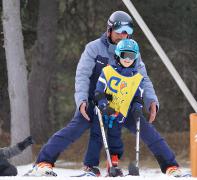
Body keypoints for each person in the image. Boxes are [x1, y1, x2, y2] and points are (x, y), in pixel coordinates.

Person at [27, 10, 167, 177]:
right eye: (119, 32)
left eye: (127, 33)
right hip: (95, 101)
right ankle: (44, 162)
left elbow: (143, 79)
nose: (123, 36)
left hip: (122, 103)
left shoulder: (131, 51)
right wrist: (82, 100)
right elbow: (82, 75)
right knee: (75, 128)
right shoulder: (94, 48)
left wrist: (151, 100)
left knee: (144, 129)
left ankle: (171, 167)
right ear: (109, 30)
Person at [93, 38, 182, 177]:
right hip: (110, 111)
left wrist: (137, 108)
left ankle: (171, 165)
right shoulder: (107, 71)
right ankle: (111, 165)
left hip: (127, 111)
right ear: (117, 55)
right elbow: (98, 92)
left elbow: (137, 97)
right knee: (111, 135)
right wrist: (104, 106)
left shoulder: (138, 77)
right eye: (124, 55)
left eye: (131, 56)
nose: (128, 59)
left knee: (151, 134)